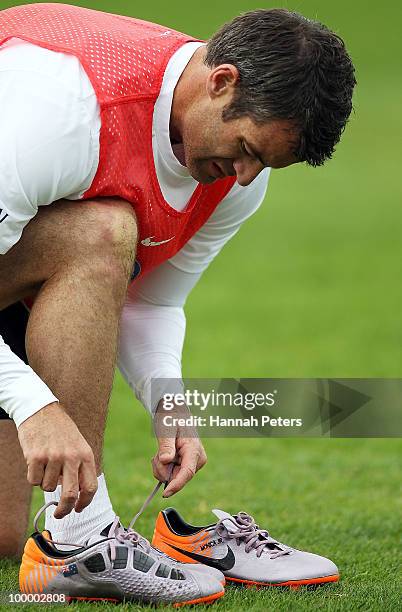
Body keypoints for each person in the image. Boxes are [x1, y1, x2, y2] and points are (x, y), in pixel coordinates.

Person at [0, 2, 355, 586]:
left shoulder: (234, 174)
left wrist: (170, 402)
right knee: (101, 232)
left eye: (264, 164)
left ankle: (71, 537)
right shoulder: (62, 110)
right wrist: (33, 403)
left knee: (8, 541)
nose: (243, 177)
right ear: (221, 82)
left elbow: (152, 302)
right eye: (245, 149)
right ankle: (81, 541)